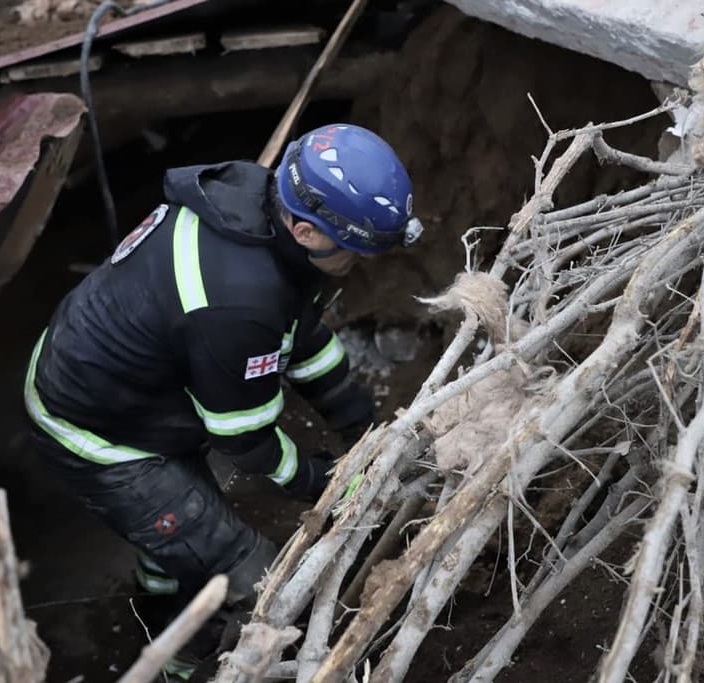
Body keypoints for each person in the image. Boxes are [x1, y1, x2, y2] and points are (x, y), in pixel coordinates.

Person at [21, 123, 422, 677]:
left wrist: (363, 427)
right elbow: (244, 440)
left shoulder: (262, 204)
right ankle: (184, 664)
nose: (362, 263)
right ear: (306, 232)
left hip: (139, 391)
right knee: (237, 572)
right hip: (99, 432)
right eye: (355, 251)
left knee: (182, 533)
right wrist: (325, 482)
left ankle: (154, 598)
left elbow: (300, 334)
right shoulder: (239, 302)